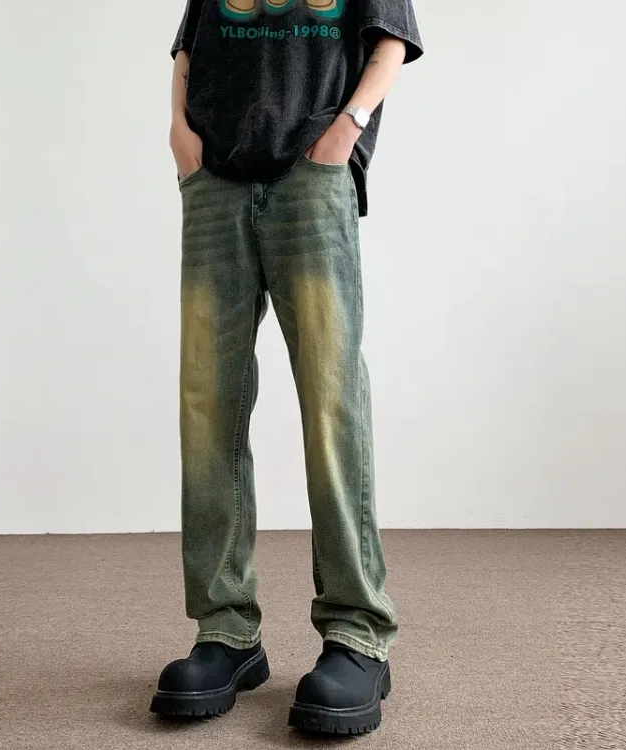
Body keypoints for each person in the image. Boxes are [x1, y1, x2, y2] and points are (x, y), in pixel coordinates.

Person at [150, 0, 423, 735]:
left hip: (312, 175)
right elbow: (188, 48)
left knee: (331, 401)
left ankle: (357, 632)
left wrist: (347, 129)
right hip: (214, 182)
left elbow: (392, 41)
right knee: (207, 403)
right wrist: (179, 133)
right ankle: (226, 630)